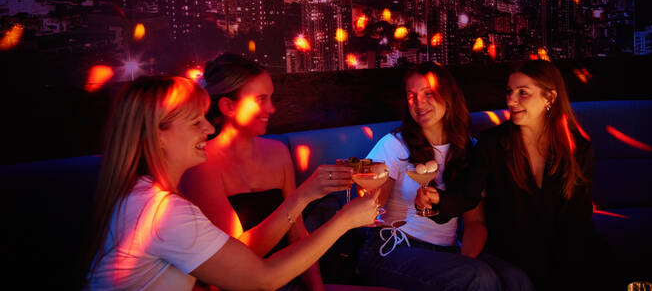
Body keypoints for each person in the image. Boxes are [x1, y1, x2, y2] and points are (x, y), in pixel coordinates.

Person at [83, 76, 378, 291]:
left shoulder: (142, 195)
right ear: (159, 134)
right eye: (195, 122)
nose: (208, 128)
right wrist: (344, 220)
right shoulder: (161, 212)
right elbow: (264, 278)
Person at [416, 60, 608, 290]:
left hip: (564, 252)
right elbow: (466, 196)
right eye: (509, 92)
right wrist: (437, 201)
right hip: (512, 255)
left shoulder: (578, 149)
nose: (510, 100)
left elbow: (578, 221)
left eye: (522, 93)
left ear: (550, 98)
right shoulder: (492, 144)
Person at [179, 53, 355, 291]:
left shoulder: (278, 152)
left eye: (271, 98)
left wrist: (317, 289)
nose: (271, 108)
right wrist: (302, 196)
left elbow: (297, 234)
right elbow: (236, 261)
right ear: (228, 106)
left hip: (289, 278)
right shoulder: (201, 164)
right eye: (261, 99)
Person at [357, 62, 533, 291]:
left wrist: (465, 259)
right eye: (412, 96)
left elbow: (475, 224)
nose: (419, 103)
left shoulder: (468, 148)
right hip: (391, 249)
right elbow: (371, 212)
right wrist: (367, 190)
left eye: (428, 93)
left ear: (447, 96)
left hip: (446, 251)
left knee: (516, 280)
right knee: (478, 277)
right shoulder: (394, 145)